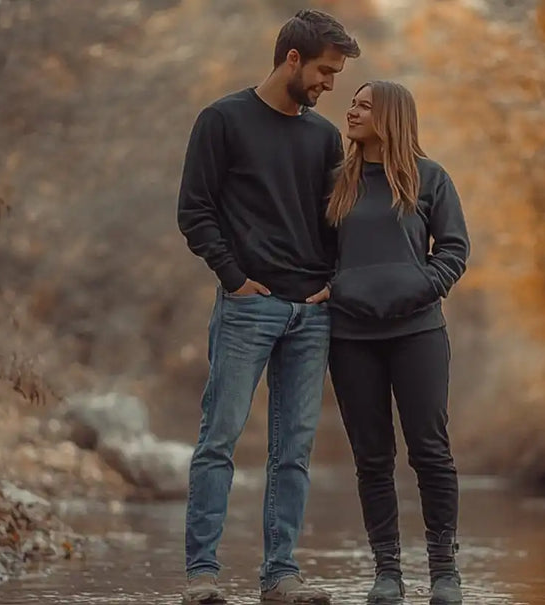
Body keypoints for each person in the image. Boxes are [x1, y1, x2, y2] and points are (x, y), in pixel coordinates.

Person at [175, 9, 360, 605]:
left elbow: (336, 221)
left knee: (294, 451)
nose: (330, 84)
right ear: (292, 59)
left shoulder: (323, 137)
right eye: (326, 72)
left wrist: (333, 281)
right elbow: (194, 211)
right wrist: (233, 277)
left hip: (311, 312)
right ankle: (202, 576)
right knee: (219, 440)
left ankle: (281, 576)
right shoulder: (222, 120)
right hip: (248, 307)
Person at [323, 80, 471, 605]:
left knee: (431, 453)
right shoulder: (336, 182)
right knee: (372, 457)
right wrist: (337, 290)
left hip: (419, 333)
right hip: (350, 337)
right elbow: (319, 256)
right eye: (353, 103)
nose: (353, 110)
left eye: (364, 105)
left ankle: (444, 573)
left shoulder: (430, 179)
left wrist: (420, 289)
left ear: (390, 116)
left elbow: (454, 248)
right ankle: (387, 572)